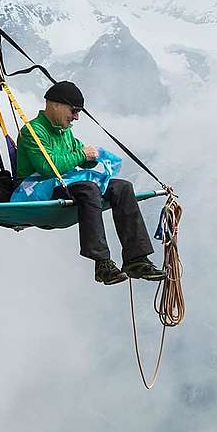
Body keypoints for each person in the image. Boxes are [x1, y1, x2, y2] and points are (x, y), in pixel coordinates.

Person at [15, 81, 165, 285]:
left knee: (122, 188)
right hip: (37, 189)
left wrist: (90, 158)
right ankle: (101, 262)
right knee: (89, 189)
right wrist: (81, 155)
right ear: (56, 105)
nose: (76, 117)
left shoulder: (63, 129)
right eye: (74, 110)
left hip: (64, 183)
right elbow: (47, 167)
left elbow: (77, 156)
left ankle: (136, 259)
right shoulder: (33, 131)